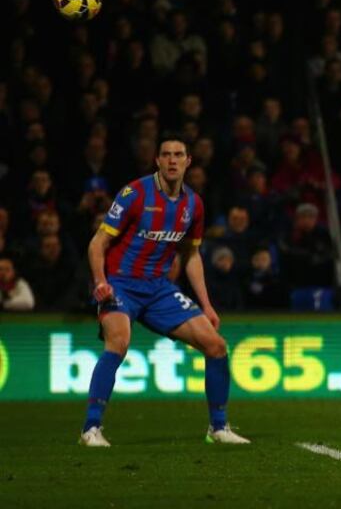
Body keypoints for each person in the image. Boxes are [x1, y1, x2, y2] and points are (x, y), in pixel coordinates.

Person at [80, 133, 248, 447]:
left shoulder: (193, 204)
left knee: (217, 347)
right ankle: (91, 429)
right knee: (118, 342)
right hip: (120, 284)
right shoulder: (134, 193)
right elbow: (97, 243)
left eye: (178, 155)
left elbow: (191, 255)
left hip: (159, 289)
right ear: (157, 160)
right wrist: (101, 282)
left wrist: (206, 305)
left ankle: (218, 428)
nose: (172, 160)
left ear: (188, 161)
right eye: (166, 155)